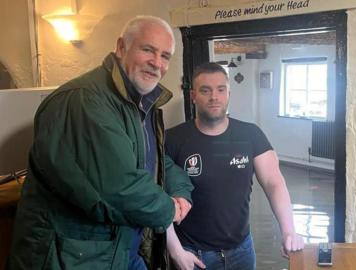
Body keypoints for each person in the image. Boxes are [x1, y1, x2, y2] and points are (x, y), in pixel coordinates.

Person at [7, 16, 193, 270]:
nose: (156, 63)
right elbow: (118, 188)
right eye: (148, 49)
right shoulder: (83, 101)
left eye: (165, 56)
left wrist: (181, 192)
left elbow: (155, 160)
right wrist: (168, 210)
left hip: (117, 250)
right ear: (121, 47)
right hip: (73, 257)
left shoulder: (136, 103)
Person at [165, 62, 304, 270]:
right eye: (205, 90)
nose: (214, 97)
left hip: (242, 252)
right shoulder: (173, 139)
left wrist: (288, 230)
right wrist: (176, 252)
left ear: (229, 93)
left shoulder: (250, 135)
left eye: (221, 90)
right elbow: (157, 198)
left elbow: (274, 183)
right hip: (192, 254)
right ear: (193, 95)